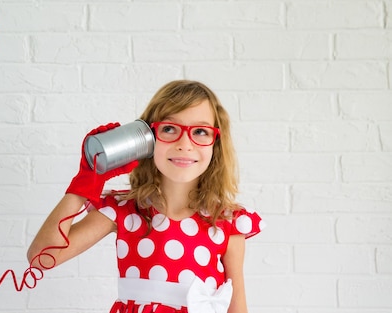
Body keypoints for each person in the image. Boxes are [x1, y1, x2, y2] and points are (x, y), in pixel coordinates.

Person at [27, 80, 265, 313]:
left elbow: (237, 306)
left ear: (216, 144)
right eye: (169, 129)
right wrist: (84, 184)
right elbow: (41, 258)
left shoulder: (227, 222)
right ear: (146, 138)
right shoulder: (124, 210)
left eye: (200, 131)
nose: (185, 144)